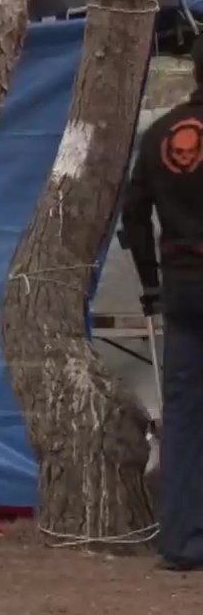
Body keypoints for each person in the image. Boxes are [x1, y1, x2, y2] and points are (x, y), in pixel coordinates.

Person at [120, 44, 203, 571]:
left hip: (182, 289)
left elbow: (133, 217)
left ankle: (180, 544)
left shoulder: (159, 135)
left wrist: (151, 283)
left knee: (184, 416)